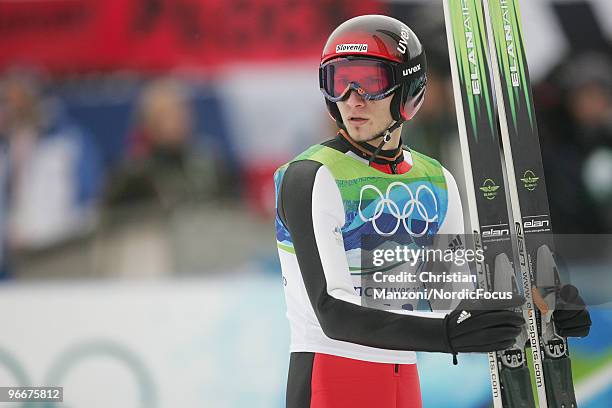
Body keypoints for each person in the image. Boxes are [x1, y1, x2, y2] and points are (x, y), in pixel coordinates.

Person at [273, 15, 591, 408]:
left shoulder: (435, 180)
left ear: (408, 88)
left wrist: (536, 310)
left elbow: (453, 300)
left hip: (403, 379)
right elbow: (333, 312)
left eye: (370, 82)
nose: (352, 98)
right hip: (331, 377)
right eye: (339, 82)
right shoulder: (312, 177)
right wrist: (447, 335)